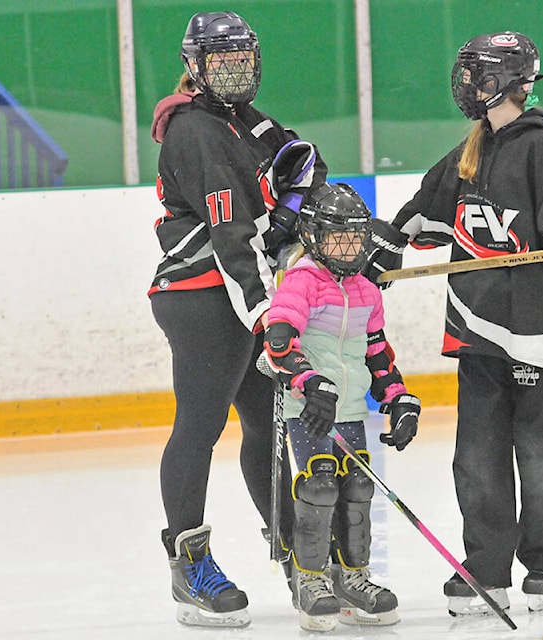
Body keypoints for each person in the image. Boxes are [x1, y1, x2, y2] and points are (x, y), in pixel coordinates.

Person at [361, 31, 543, 616]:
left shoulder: (542, 148)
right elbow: (424, 211)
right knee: (476, 458)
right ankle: (485, 567)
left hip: (534, 337)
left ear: (504, 81)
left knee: (539, 455)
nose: (466, 87)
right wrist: (386, 245)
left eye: (476, 76)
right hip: (475, 331)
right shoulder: (471, 150)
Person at [148, 11, 326, 628]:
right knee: (200, 427)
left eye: (243, 60)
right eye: (221, 62)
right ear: (195, 67)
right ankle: (189, 566)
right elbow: (229, 235)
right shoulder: (197, 132)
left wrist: (293, 222)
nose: (235, 71)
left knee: (262, 426)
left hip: (245, 294)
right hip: (200, 296)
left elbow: (306, 163)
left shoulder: (244, 121)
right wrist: (270, 318)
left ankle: (298, 557)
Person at [259, 182, 421, 631]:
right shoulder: (302, 279)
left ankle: (352, 576)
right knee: (319, 486)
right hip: (308, 407)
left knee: (357, 488)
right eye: (338, 237)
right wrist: (310, 384)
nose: (348, 248)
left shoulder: (367, 290)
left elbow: (377, 353)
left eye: (355, 238)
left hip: (349, 409)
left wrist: (398, 399)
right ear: (313, 236)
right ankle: (310, 580)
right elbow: (278, 341)